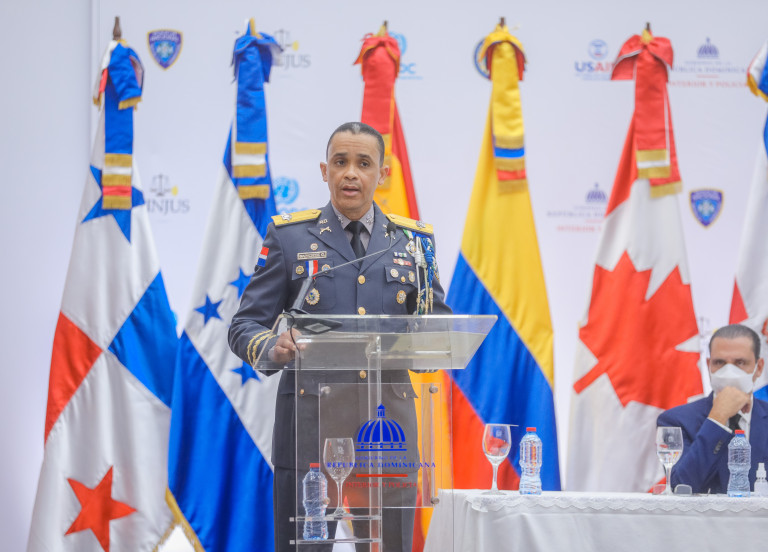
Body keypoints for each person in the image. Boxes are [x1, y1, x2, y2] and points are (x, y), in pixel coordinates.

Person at [228, 122, 451, 551]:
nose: (351, 173)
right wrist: (273, 346)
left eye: (364, 163)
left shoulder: (413, 242)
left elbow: (436, 325)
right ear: (324, 170)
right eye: (340, 162)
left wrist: (426, 343)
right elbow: (244, 326)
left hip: (387, 431)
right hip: (310, 428)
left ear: (382, 173)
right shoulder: (290, 237)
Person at [657, 324, 768, 494]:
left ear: (758, 368)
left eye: (740, 363)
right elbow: (681, 487)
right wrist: (717, 418)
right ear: (709, 365)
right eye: (720, 363)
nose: (729, 371)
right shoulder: (675, 420)